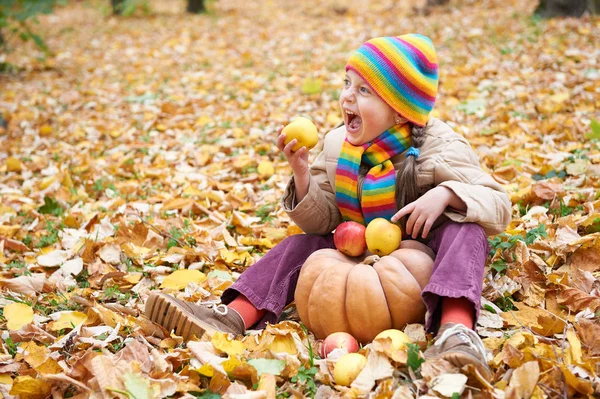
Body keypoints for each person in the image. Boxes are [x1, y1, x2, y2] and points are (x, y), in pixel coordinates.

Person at [145, 34, 511, 380]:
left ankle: (457, 330)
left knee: (466, 230)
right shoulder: (338, 146)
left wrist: (446, 194)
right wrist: (303, 174)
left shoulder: (440, 147)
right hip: (361, 254)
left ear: (400, 113)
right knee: (298, 247)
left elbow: (498, 203)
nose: (347, 98)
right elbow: (322, 221)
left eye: (364, 90)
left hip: (421, 259)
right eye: (347, 84)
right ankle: (234, 315)